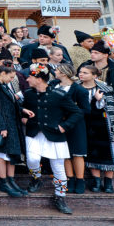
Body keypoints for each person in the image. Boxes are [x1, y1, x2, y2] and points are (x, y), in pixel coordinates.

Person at [22, 63, 82, 214]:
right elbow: (16, 106)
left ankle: (60, 197)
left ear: (39, 79)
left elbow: (77, 112)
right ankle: (36, 178)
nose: (27, 79)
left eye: (30, 76)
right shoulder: (27, 94)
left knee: (58, 167)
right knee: (32, 159)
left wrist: (64, 126)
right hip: (34, 132)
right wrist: (23, 116)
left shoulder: (59, 95)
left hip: (55, 134)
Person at [77, 65, 114, 193]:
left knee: (110, 153)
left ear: (94, 76)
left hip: (105, 125)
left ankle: (108, 183)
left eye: (85, 73)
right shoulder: (76, 87)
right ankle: (96, 180)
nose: (81, 74)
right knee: (92, 152)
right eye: (80, 72)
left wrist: (99, 100)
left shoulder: (105, 88)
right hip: (86, 124)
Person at [0, 64, 29, 197]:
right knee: (1, 154)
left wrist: (22, 110)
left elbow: (10, 104)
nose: (12, 79)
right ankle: (3, 182)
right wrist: (1, 127)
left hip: (12, 123)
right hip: (3, 125)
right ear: (2, 74)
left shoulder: (5, 86)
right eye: (10, 77)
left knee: (11, 153)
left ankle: (11, 180)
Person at [53, 62, 89, 194]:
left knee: (78, 152)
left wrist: (70, 115)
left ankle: (80, 179)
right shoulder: (53, 86)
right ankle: (70, 178)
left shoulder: (79, 90)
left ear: (63, 73)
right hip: (58, 124)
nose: (54, 72)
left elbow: (86, 109)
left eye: (57, 70)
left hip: (75, 124)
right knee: (65, 153)